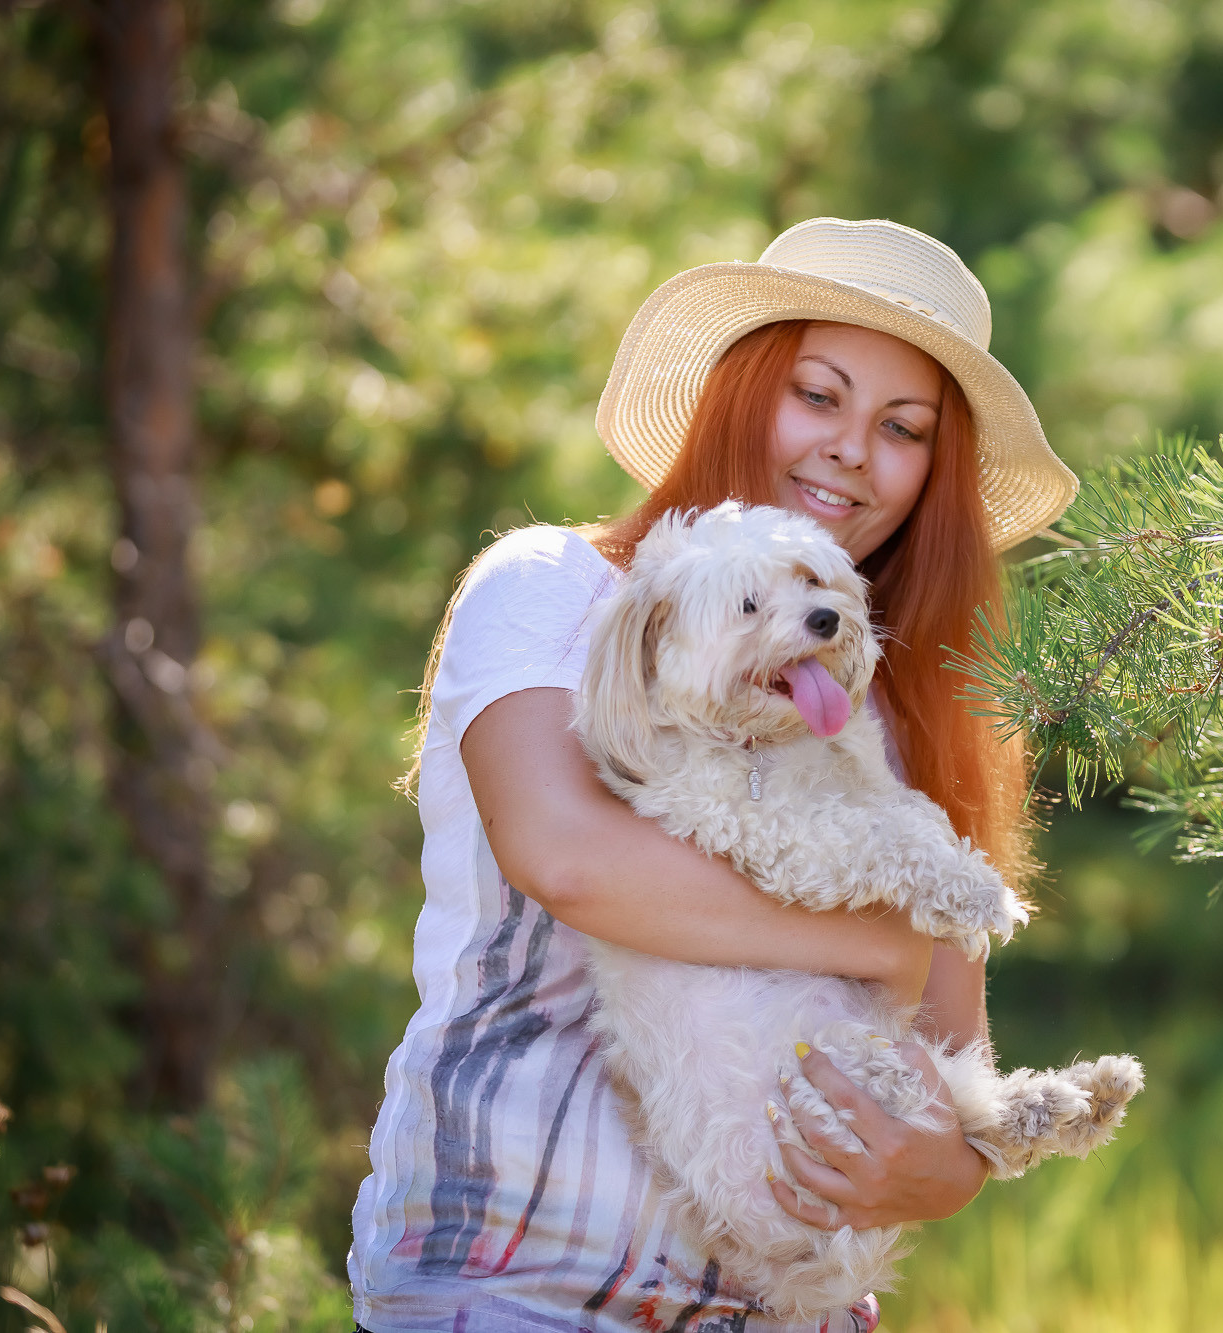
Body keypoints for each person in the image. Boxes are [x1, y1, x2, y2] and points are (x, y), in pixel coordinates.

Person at [348, 217, 1078, 1332]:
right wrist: (888, 934)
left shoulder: (859, 700)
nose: (850, 449)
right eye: (817, 395)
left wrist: (944, 1166)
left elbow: (949, 1047)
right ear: (738, 392)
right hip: (519, 1282)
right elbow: (573, 860)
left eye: (902, 427)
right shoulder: (552, 589)